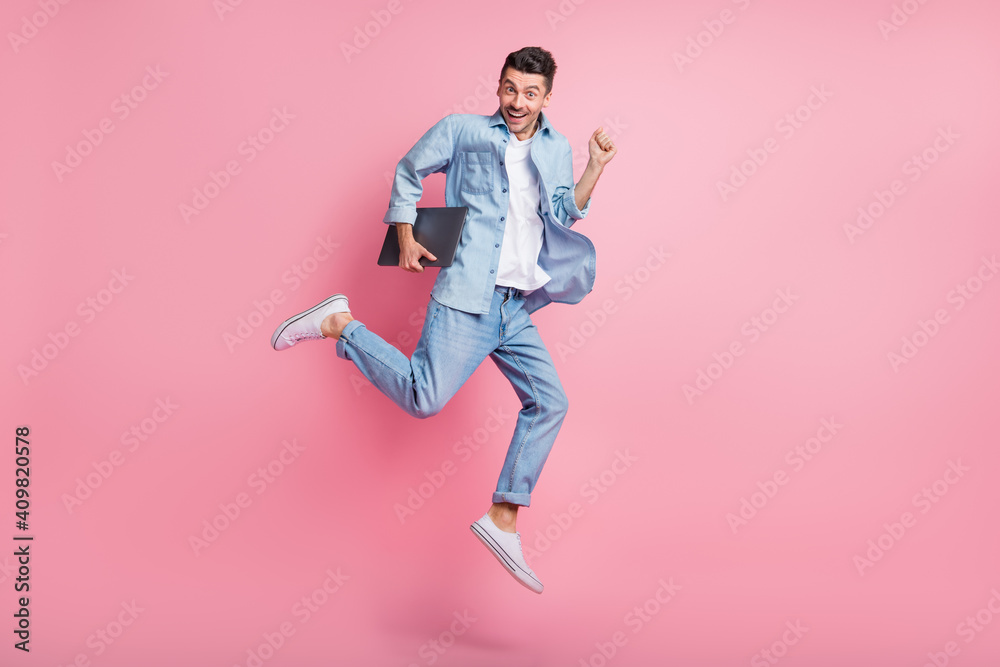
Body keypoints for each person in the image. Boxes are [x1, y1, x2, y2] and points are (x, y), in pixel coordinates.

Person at [271, 46, 616, 593]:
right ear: (498, 87)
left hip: (516, 305)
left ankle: (504, 515)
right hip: (467, 295)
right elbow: (410, 170)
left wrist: (593, 169)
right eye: (509, 88)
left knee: (551, 402)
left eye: (530, 93)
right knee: (424, 397)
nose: (517, 101)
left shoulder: (557, 147)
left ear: (548, 97)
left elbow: (562, 211)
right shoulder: (463, 131)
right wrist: (406, 234)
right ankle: (341, 323)